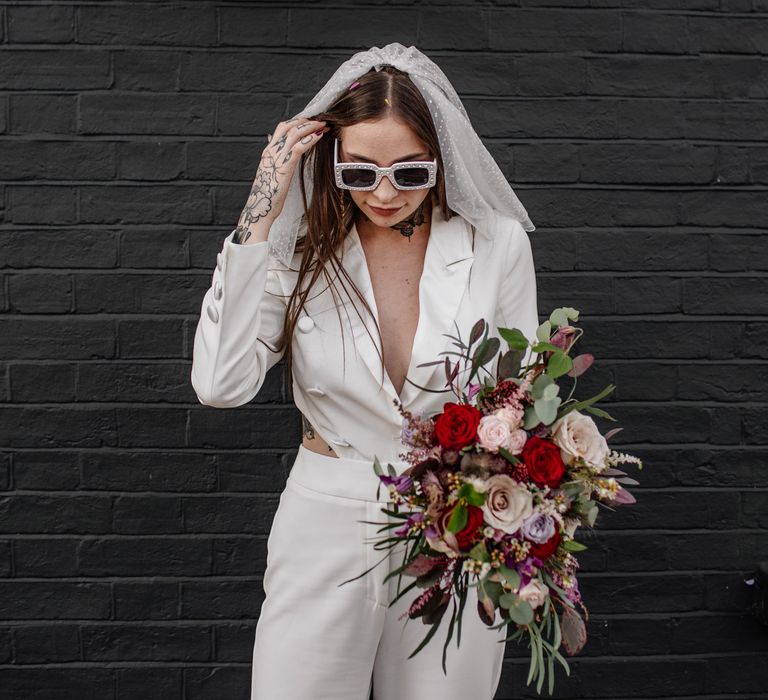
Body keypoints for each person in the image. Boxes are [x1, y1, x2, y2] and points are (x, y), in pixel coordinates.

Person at [190, 43, 539, 700]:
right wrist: (262, 208)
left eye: (410, 174)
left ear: (442, 161)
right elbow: (220, 383)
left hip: (454, 521)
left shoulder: (496, 243)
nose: (383, 194)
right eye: (359, 173)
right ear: (333, 161)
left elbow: (514, 398)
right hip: (325, 516)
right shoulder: (296, 248)